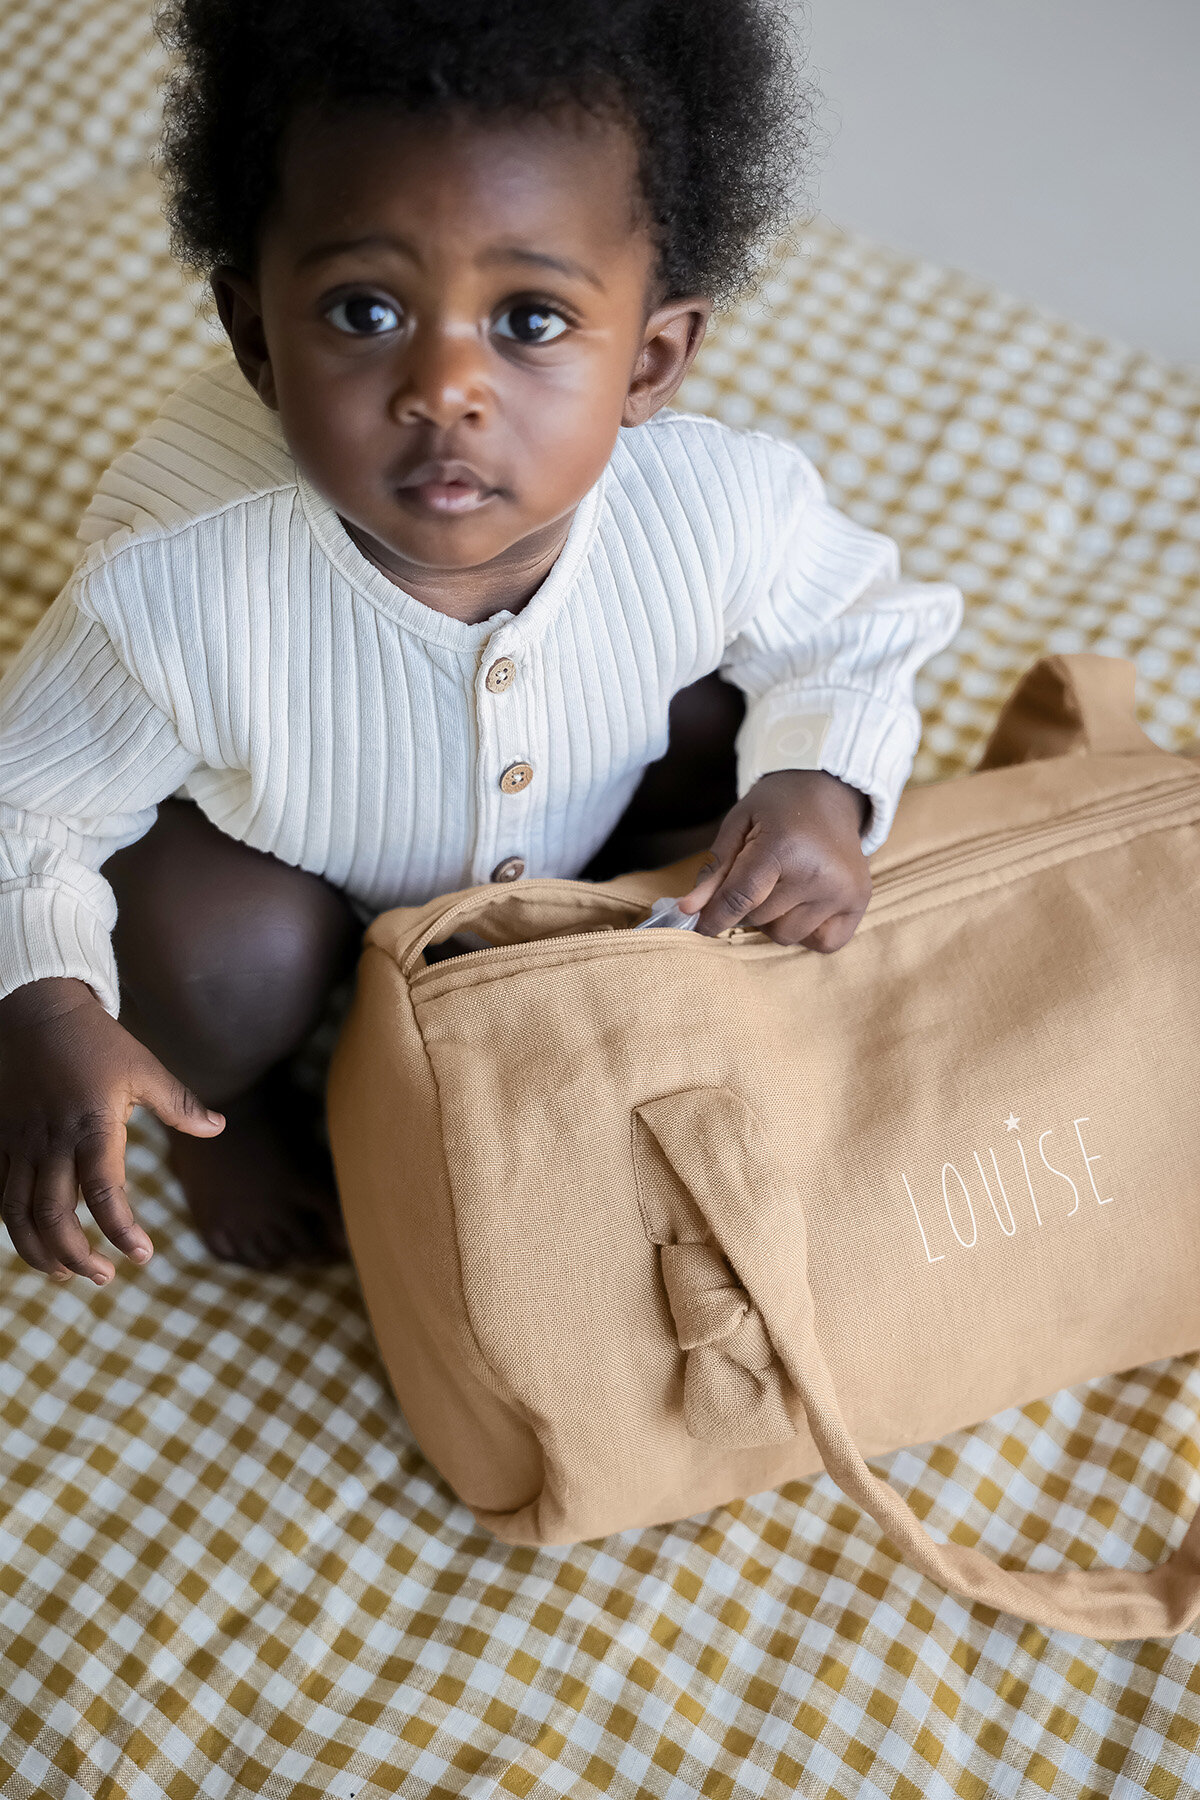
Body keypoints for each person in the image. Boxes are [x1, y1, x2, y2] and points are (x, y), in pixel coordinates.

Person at [0, 0, 961, 1282]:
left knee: (734, 734)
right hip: (294, 853)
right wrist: (49, 1005)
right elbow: (25, 811)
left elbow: (857, 624)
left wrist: (816, 784)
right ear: (253, 340)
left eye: (530, 322)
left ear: (652, 361)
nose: (444, 387)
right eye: (361, 312)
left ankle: (602, 930)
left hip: (584, 794)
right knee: (219, 954)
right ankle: (223, 1111)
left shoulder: (715, 504)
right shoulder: (176, 582)